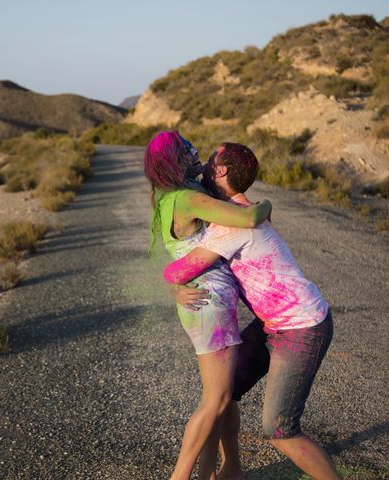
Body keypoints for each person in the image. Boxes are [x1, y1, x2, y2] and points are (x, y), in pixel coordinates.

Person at [163, 143, 341, 480]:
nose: (204, 165)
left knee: (281, 429)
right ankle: (232, 470)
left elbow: (177, 271)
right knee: (225, 390)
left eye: (211, 161)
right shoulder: (239, 212)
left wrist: (175, 285)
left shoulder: (232, 226)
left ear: (222, 172)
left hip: (302, 326)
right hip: (271, 324)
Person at [143, 131, 272, 480]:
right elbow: (247, 218)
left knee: (225, 397)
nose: (194, 150)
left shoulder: (175, 196)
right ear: (175, 160)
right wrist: (267, 205)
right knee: (215, 400)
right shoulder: (187, 198)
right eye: (186, 149)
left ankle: (226, 470)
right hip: (208, 305)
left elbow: (178, 258)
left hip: (208, 302)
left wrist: (174, 286)